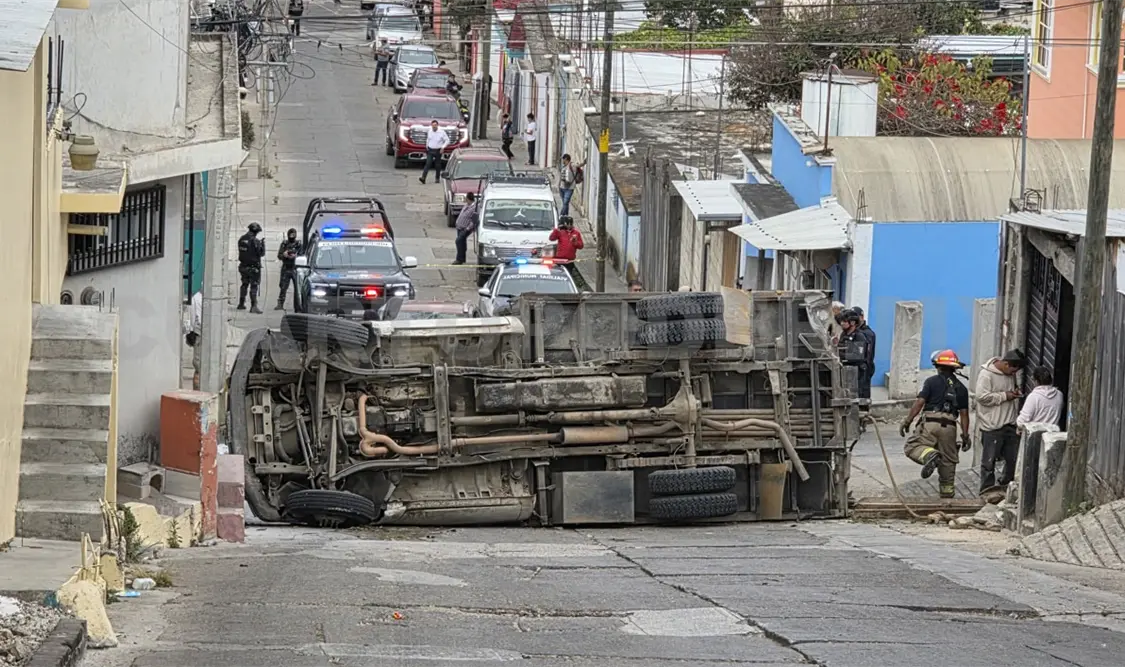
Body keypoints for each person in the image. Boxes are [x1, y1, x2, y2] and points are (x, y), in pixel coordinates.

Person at [900, 350, 971, 498]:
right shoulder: (962, 388)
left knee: (912, 447)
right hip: (950, 426)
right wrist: (965, 436)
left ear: (938, 366)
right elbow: (964, 414)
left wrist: (908, 421)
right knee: (948, 461)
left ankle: (929, 455)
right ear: (954, 368)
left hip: (930, 423)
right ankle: (947, 495)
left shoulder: (931, 381)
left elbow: (920, 402)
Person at [975, 348, 1026, 494]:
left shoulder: (1010, 375)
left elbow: (1010, 390)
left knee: (1013, 459)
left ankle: (1005, 486)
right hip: (992, 425)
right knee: (988, 462)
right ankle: (987, 490)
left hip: (1009, 423)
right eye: (1013, 370)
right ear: (1006, 364)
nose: (1014, 374)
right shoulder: (986, 375)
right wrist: (1004, 396)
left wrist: (1015, 392)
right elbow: (981, 397)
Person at [837, 309, 871, 402]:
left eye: (844, 321)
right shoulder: (843, 334)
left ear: (852, 322)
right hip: (845, 371)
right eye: (841, 321)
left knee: (855, 397)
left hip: (857, 372)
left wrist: (841, 354)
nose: (842, 324)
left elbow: (858, 355)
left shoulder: (859, 336)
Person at [1017, 365, 1064, 430]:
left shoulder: (1033, 397)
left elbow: (1021, 421)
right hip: (1052, 435)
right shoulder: (1059, 395)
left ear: (1036, 381)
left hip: (1035, 436)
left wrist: (1019, 427)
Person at [237, 222, 266, 313]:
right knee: (254, 286)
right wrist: (263, 245)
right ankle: (254, 306)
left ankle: (241, 303)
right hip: (253, 268)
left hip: (243, 266)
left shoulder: (241, 239)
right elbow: (261, 253)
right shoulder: (255, 241)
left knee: (244, 284)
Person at [853, 306, 876, 404]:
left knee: (863, 394)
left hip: (864, 368)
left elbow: (866, 354)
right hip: (855, 368)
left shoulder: (867, 333)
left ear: (862, 317)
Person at [275, 227, 302, 310]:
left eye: (293, 234)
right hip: (286, 268)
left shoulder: (298, 244)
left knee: (298, 289)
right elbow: (279, 255)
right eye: (290, 234)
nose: (292, 236)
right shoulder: (284, 244)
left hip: (295, 268)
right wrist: (284, 254)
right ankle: (280, 304)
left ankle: (298, 306)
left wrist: (296, 256)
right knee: (283, 287)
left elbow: (303, 255)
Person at [419, 119, 450, 184]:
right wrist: (427, 146)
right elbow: (428, 139)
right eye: (433, 126)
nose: (434, 127)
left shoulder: (441, 132)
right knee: (428, 164)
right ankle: (423, 178)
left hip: (438, 150)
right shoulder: (430, 131)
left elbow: (447, 140)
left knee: (437, 165)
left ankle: (437, 178)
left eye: (435, 125)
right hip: (430, 150)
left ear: (437, 125)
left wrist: (443, 147)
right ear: (431, 126)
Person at [453, 192, 479, 265]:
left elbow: (473, 220)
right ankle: (462, 259)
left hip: (465, 228)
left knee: (458, 241)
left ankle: (459, 259)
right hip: (460, 227)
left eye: (466, 198)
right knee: (462, 243)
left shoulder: (474, 208)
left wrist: (468, 228)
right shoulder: (467, 205)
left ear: (468, 198)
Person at [184, 290, 203, 390]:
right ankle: (197, 390)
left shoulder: (196, 298)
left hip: (202, 333)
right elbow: (193, 318)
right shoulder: (197, 298)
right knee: (198, 364)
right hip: (199, 333)